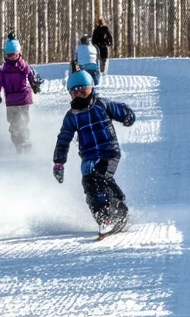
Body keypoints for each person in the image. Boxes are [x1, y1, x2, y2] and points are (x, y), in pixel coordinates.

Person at [52, 69, 135, 237]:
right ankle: (105, 216)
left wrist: (127, 116)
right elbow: (64, 138)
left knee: (101, 177)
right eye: (74, 92)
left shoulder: (102, 105)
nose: (79, 94)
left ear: (91, 88)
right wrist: (59, 163)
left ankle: (116, 207)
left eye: (83, 90)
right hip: (89, 157)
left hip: (108, 152)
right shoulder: (71, 116)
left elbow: (123, 112)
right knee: (90, 183)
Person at [0, 37, 41, 153]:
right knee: (14, 128)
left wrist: (34, 85)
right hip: (11, 103)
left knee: (23, 124)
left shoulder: (24, 67)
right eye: (9, 55)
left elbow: (32, 78)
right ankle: (19, 146)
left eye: (14, 55)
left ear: (19, 53)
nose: (12, 57)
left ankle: (27, 146)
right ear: (5, 55)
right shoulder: (3, 71)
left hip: (24, 100)